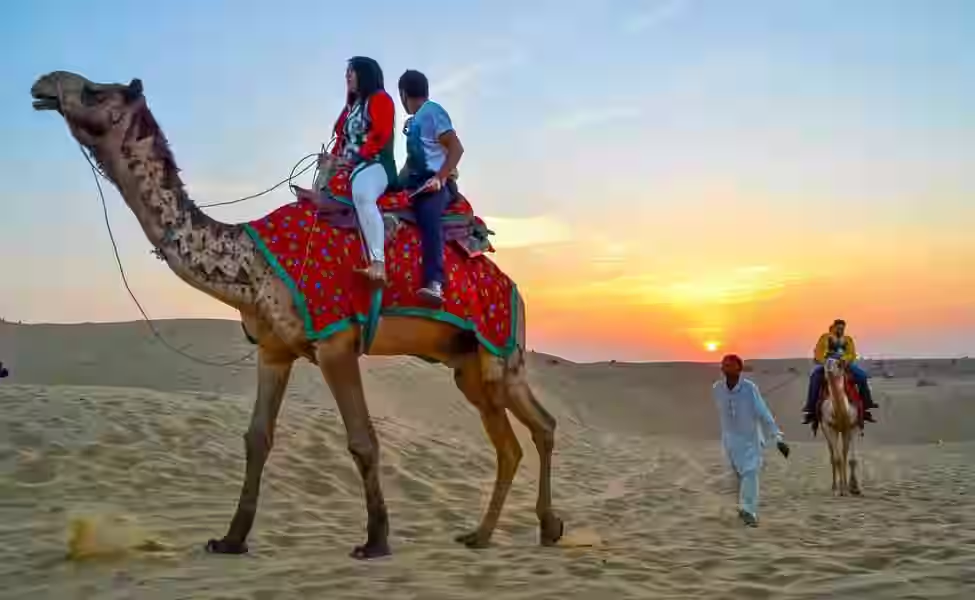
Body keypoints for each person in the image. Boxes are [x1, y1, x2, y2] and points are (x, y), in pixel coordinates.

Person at [323, 56, 397, 284]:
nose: (347, 76)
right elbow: (341, 140)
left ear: (364, 74)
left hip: (374, 165)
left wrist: (353, 159)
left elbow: (380, 136)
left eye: (351, 71)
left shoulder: (380, 100)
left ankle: (378, 263)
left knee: (363, 195)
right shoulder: (351, 108)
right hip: (347, 166)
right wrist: (331, 159)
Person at [396, 69, 465, 305]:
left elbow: (456, 148)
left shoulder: (433, 113)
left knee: (428, 214)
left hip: (438, 184)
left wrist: (440, 177)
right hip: (415, 182)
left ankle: (435, 282)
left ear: (404, 94)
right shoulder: (416, 122)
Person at [712, 354, 790, 527]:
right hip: (730, 441)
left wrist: (777, 437)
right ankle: (740, 509)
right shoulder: (717, 388)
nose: (726, 367)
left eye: (731, 365)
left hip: (751, 440)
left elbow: (763, 412)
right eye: (724, 365)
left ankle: (749, 511)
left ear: (739, 369)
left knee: (750, 473)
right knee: (735, 478)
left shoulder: (749, 388)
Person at [802, 319, 877, 426]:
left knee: (862, 377)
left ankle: (866, 406)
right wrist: (826, 361)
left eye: (842, 328)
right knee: (814, 378)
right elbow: (818, 353)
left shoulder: (847, 340)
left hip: (844, 364)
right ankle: (810, 409)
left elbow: (852, 354)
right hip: (828, 364)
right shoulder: (825, 338)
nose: (840, 330)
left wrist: (845, 360)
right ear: (833, 327)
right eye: (839, 328)